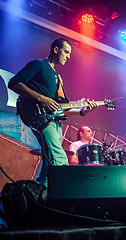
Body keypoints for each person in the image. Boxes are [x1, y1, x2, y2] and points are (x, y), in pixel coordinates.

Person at [8, 38, 98, 187]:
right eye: (66, 52)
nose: (68, 56)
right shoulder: (38, 65)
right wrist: (42, 99)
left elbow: (62, 108)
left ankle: (38, 195)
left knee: (49, 164)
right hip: (41, 118)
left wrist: (83, 111)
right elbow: (14, 83)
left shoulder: (58, 78)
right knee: (59, 159)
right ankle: (61, 196)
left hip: (54, 121)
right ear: (56, 49)